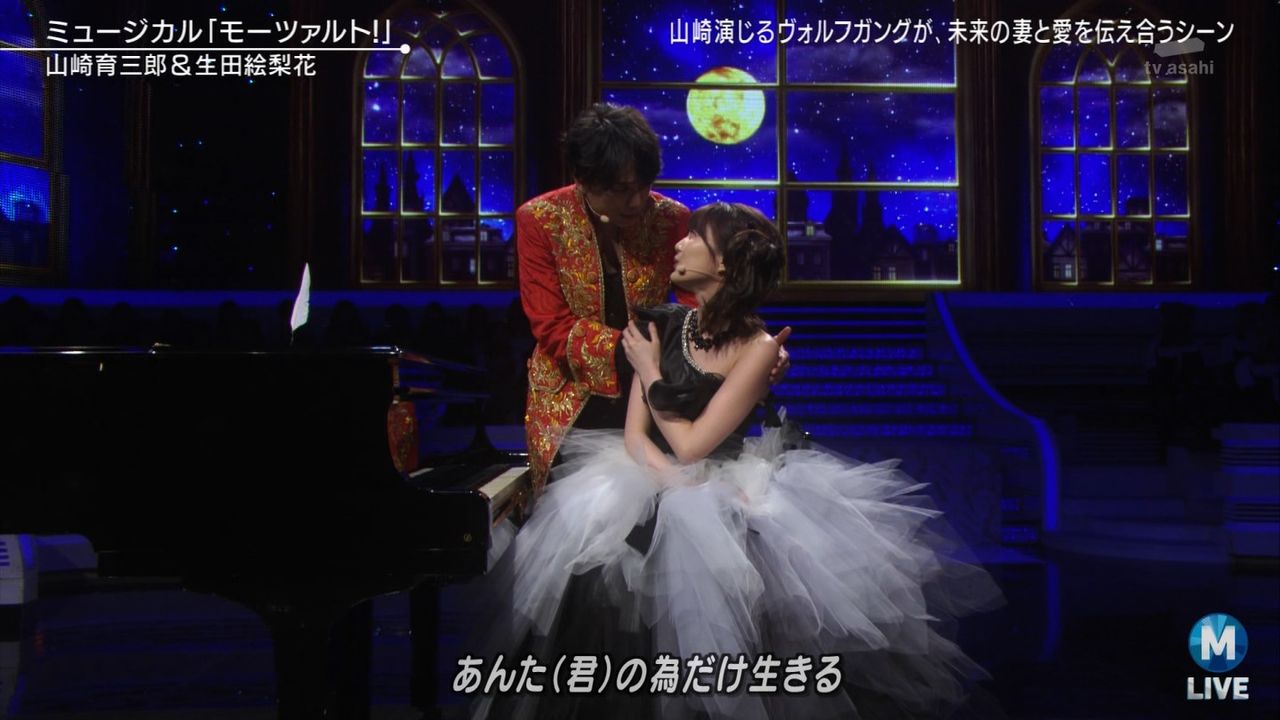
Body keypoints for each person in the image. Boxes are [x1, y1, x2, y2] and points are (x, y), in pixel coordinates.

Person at [462, 202, 1002, 719]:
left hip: (720, 482)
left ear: (723, 264)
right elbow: (635, 437)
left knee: (726, 638)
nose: (680, 244)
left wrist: (649, 372)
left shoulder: (758, 347)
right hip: (646, 479)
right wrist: (669, 483)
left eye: (695, 237)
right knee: (601, 610)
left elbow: (693, 446)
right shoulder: (660, 324)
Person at [516, 103, 788, 494]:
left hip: (662, 389)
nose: (638, 201)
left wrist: (746, 354)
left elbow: (703, 303)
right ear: (583, 179)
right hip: (572, 394)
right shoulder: (540, 219)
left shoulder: (670, 217)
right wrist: (645, 351)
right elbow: (552, 325)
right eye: (623, 190)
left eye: (644, 185)